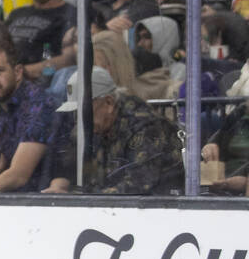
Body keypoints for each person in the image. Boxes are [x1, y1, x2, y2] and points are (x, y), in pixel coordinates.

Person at [45, 66, 183, 194]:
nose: (79, 120)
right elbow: (72, 164)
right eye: (75, 113)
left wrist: (76, 199)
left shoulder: (145, 127)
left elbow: (136, 187)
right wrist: (61, 182)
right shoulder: (98, 126)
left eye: (84, 112)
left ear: (109, 103)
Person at [0, 42, 57, 192]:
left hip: (47, 204)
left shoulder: (39, 104)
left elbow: (18, 175)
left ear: (17, 72)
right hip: (12, 202)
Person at [4, 0, 76, 79]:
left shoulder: (72, 14)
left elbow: (69, 58)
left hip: (43, 83)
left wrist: (22, 73)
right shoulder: (16, 13)